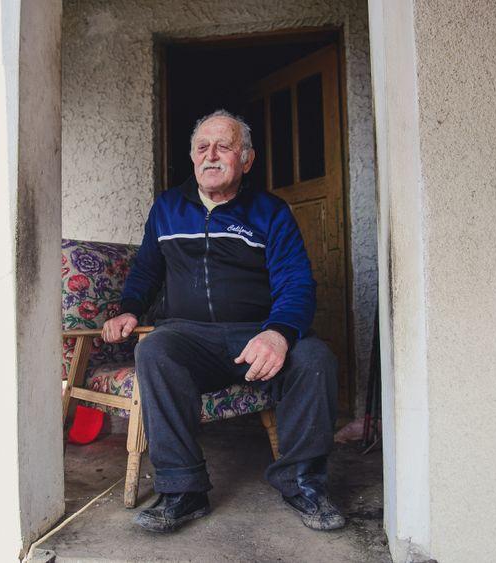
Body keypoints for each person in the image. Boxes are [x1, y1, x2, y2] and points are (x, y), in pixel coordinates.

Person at [101, 109, 343, 533]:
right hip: (191, 337)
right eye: (202, 147)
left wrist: (279, 333)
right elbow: (146, 271)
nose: (211, 155)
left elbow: (297, 283)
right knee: (155, 348)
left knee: (315, 357)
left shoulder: (270, 212)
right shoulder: (168, 209)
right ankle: (183, 490)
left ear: (246, 160)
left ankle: (303, 482)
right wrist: (129, 308)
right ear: (193, 157)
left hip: (256, 336)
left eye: (224, 146)